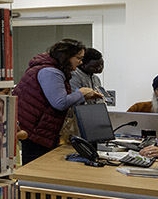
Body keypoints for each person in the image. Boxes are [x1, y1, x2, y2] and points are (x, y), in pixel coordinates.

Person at [12, 38, 103, 166]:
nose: (80, 62)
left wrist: (85, 96)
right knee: (36, 169)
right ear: (67, 57)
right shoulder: (51, 72)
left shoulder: (49, 69)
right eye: (78, 58)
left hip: (37, 128)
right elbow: (60, 103)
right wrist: (81, 93)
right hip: (36, 130)